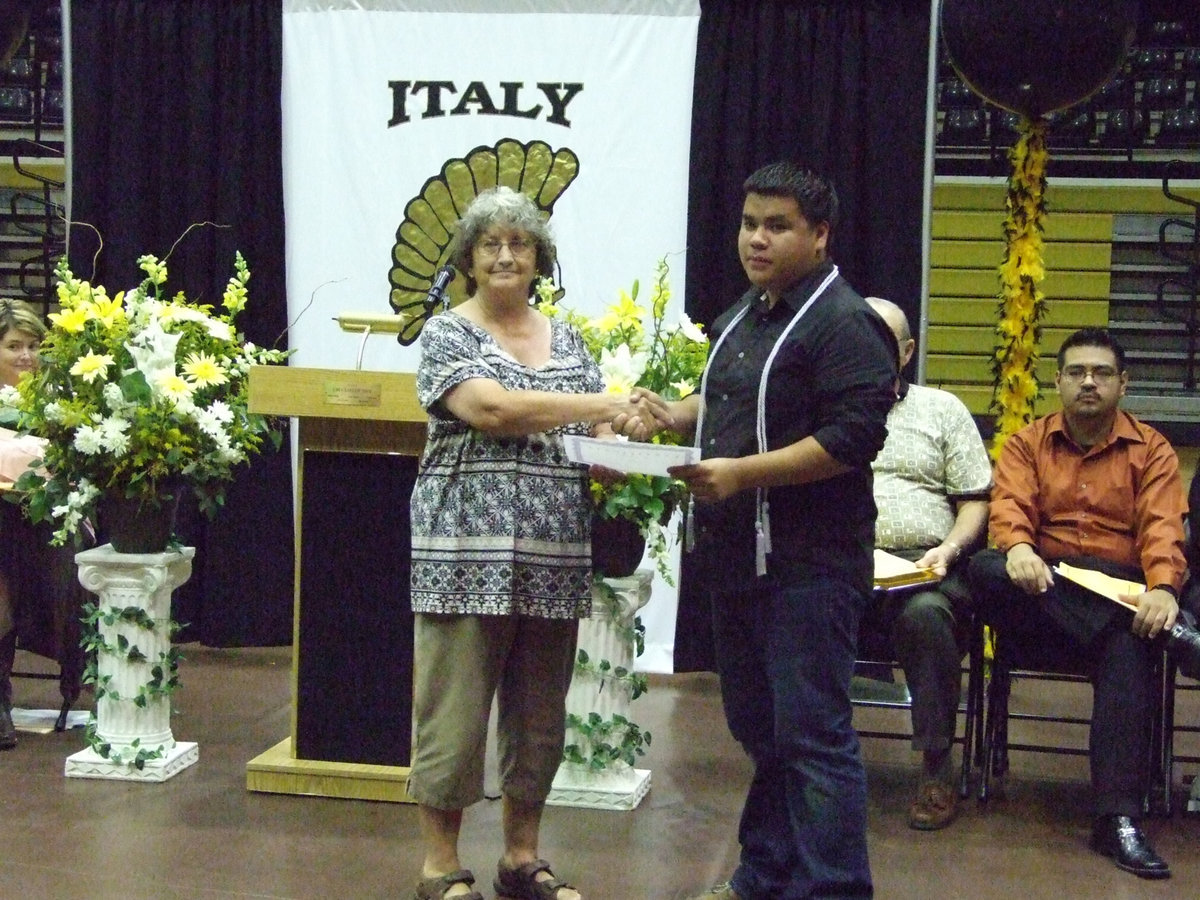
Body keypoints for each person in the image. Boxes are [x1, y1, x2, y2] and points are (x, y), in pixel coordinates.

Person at [407, 186, 669, 900]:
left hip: (554, 554)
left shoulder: (572, 339)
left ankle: (521, 858)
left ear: (538, 258)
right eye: (490, 244)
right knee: (454, 714)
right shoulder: (447, 334)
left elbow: (597, 439)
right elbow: (491, 408)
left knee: (538, 717)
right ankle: (440, 868)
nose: (504, 255)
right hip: (465, 555)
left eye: (519, 244)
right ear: (467, 258)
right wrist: (602, 403)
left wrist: (628, 437)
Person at [654, 161, 897, 900]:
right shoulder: (748, 310)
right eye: (748, 223)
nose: (755, 239)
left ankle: (834, 887)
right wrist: (675, 414)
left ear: (818, 235)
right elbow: (728, 390)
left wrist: (742, 472)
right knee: (761, 733)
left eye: (776, 226)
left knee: (813, 738)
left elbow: (853, 438)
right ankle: (767, 872)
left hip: (810, 567)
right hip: (738, 559)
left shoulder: (845, 321)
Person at [968, 326, 1200, 881]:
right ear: (1058, 381)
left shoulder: (1154, 450)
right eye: (1076, 372)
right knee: (985, 569)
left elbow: (1164, 531)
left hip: (1119, 587)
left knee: (1127, 642)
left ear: (1124, 383)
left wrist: (1165, 589)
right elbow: (1008, 509)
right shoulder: (1028, 443)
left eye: (1100, 373)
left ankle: (1116, 819)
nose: (1088, 383)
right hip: (1038, 595)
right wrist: (1020, 548)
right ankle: (1163, 631)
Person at [861, 296, 991, 831]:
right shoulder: (818, 406)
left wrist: (951, 549)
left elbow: (975, 499)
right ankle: (801, 765)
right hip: (842, 563)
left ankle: (937, 764)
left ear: (907, 351)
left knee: (927, 616)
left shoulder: (942, 409)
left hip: (926, 566)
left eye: (882, 341)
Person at [0, 297, 47, 750]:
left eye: (34, 345)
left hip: (39, 523)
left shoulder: (55, 401)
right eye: (15, 345)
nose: (26, 356)